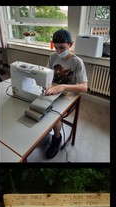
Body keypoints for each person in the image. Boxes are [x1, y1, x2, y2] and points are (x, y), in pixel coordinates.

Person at [44, 29, 88, 159]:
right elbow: (47, 74)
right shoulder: (52, 57)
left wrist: (63, 87)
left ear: (71, 44)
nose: (58, 51)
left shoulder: (77, 62)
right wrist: (47, 84)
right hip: (53, 92)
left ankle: (57, 138)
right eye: (55, 47)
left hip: (69, 96)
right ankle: (45, 131)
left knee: (53, 114)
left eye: (62, 48)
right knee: (38, 106)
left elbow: (84, 87)